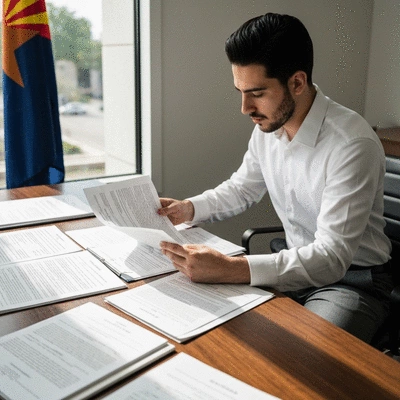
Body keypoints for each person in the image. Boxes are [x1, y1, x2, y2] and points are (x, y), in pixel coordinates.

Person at [158, 12, 393, 344]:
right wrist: (187, 209)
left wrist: (230, 268)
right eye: (240, 91)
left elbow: (331, 258)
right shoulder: (268, 127)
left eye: (256, 92)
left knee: (300, 354)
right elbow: (242, 189)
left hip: (351, 280)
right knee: (220, 334)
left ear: (296, 83)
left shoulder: (352, 144)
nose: (244, 107)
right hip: (293, 265)